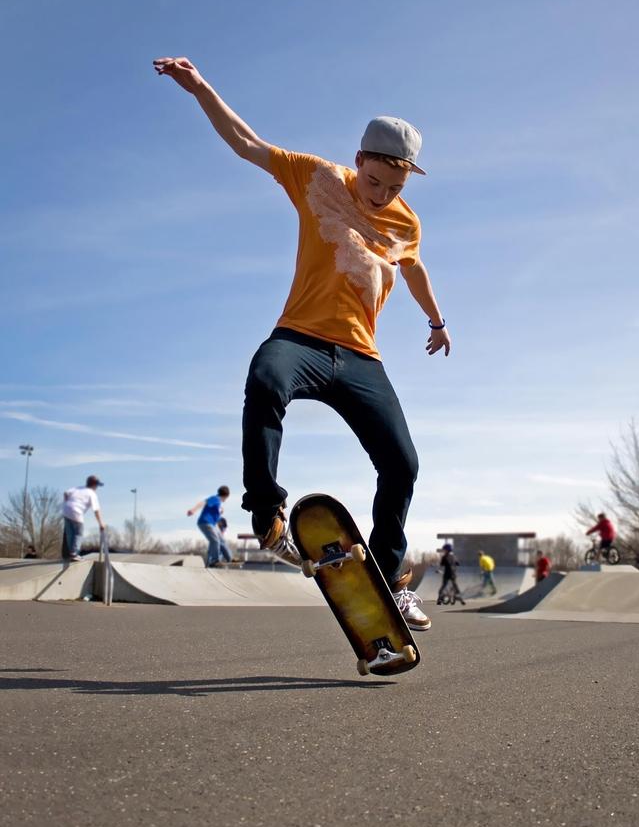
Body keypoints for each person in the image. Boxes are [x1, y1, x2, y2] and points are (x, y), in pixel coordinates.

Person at [154, 56, 451, 631]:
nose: (380, 196)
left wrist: (436, 320)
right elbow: (247, 143)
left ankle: (389, 581)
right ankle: (267, 514)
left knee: (403, 464)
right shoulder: (314, 176)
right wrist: (199, 88)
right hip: (302, 339)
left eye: (394, 188)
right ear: (357, 160)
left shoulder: (407, 223)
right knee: (265, 379)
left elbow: (413, 268)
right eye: (373, 181)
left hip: (362, 358)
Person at [61, 476, 106, 561]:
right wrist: (101, 523)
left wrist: (67, 503)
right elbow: (96, 510)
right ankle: (74, 554)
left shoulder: (78, 488)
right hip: (76, 511)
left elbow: (65, 493)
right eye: (96, 486)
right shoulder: (92, 493)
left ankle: (70, 553)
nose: (96, 488)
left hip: (66, 510)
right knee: (78, 533)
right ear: (94, 485)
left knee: (70, 533)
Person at [187, 486, 230, 567]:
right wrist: (194, 509)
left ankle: (229, 558)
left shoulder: (218, 503)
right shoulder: (215, 498)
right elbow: (203, 502)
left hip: (212, 524)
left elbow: (215, 516)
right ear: (226, 496)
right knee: (215, 541)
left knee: (221, 541)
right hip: (205, 522)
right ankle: (215, 560)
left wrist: (220, 511)